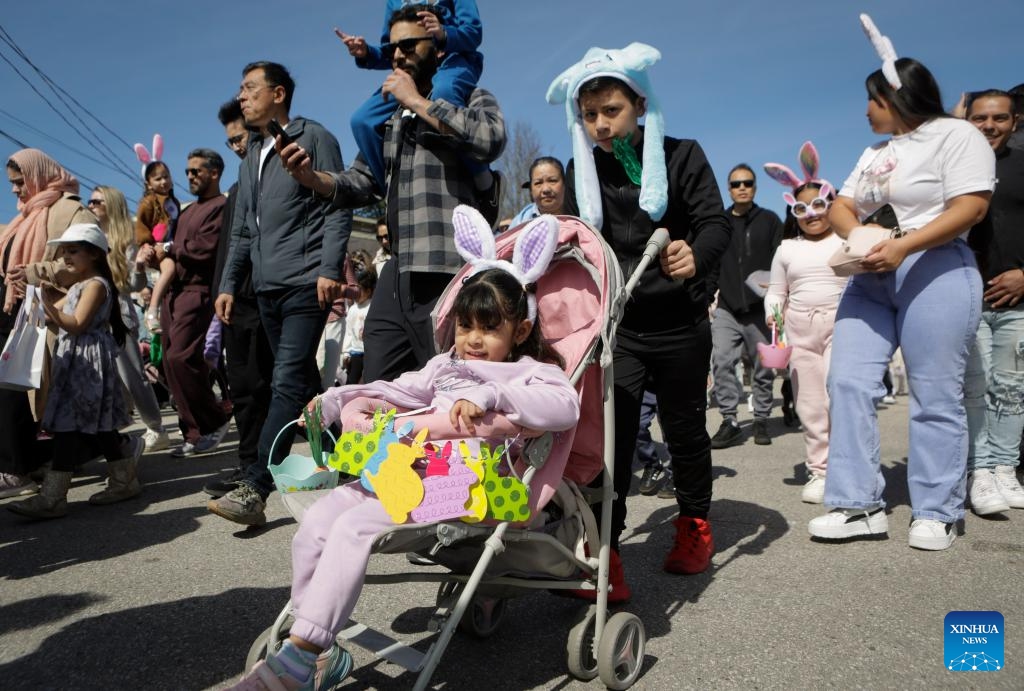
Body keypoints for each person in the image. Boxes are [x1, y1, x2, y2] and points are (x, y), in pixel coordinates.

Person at [226, 213, 577, 691]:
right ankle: (315, 647)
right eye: (465, 325)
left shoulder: (528, 373)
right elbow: (397, 389)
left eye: (489, 328)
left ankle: (302, 654)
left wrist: (495, 398)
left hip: (459, 481)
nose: (473, 339)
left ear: (519, 331)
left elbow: (564, 406)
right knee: (316, 524)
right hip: (397, 468)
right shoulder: (444, 365)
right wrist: (343, 398)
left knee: (351, 529)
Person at [808, 16, 995, 550]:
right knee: (847, 381)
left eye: (872, 99)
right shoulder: (873, 153)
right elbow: (842, 204)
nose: (865, 110)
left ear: (896, 95)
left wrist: (903, 245)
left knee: (935, 393)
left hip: (934, 266)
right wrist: (863, 237)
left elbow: (971, 206)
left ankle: (937, 509)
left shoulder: (957, 135)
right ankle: (858, 503)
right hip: (872, 273)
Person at [548, 42, 732, 583]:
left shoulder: (683, 155)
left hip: (680, 322)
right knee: (610, 440)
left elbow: (716, 224)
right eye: (590, 115)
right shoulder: (580, 171)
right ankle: (608, 549)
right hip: (617, 330)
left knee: (685, 431)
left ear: (641, 106)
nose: (601, 125)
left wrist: (694, 254)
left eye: (612, 111)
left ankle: (694, 522)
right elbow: (576, 239)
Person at [281, 4, 506, 384]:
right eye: (393, 47)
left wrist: (419, 102)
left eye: (408, 45)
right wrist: (313, 179)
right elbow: (363, 180)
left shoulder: (470, 94)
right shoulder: (390, 119)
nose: (398, 54)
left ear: (436, 48)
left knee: (453, 387)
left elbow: (491, 139)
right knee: (379, 388)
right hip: (396, 273)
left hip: (448, 266)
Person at [212, 61, 352, 525]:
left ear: (278, 93)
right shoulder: (252, 153)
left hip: (306, 282)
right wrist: (231, 283)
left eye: (249, 87)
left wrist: (330, 268)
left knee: (286, 382)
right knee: (305, 389)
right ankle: (350, 465)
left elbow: (338, 205)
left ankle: (255, 486)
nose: (242, 96)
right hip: (266, 287)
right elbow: (243, 233)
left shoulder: (314, 138)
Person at [8, 224, 142, 519]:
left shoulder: (95, 284)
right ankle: (124, 479)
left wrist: (47, 305)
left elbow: (77, 323)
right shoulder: (80, 284)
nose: (65, 256)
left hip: (86, 364)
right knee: (101, 425)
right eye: (64, 251)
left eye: (73, 250)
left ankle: (54, 497)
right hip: (77, 362)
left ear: (94, 254)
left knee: (69, 425)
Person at [335, 0, 501, 224]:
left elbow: (473, 33)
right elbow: (394, 50)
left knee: (443, 92)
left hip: (452, 61)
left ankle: (483, 181)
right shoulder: (394, 2)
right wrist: (367, 53)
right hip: (412, 73)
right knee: (362, 120)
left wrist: (444, 33)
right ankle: (389, 188)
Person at [0, 149, 96, 499]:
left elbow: (87, 262)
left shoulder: (71, 210)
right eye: (11, 183)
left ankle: (17, 469)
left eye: (19, 181)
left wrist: (35, 273)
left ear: (38, 174)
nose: (14, 190)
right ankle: (27, 463)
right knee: (20, 391)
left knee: (24, 392)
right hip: (17, 312)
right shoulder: (23, 217)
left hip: (51, 315)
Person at [762, 142, 849, 504]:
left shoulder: (848, 239)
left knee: (842, 396)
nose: (811, 213)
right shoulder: (787, 248)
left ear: (832, 203)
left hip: (843, 327)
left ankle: (850, 468)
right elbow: (776, 291)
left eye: (818, 204)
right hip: (798, 332)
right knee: (810, 405)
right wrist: (773, 314)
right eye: (801, 208)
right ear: (793, 211)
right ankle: (820, 471)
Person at [203, 98, 274, 498]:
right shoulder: (236, 190)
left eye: (242, 137)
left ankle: (328, 459)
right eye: (230, 142)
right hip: (236, 302)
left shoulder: (277, 177)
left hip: (273, 295)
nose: (237, 147)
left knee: (288, 383)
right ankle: (250, 466)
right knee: (244, 387)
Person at [963, 89, 1024, 515]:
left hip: (1018, 302)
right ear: (966, 122)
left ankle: (1006, 468)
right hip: (966, 296)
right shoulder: (955, 170)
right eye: (980, 118)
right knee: (974, 390)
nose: (990, 126)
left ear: (1014, 122)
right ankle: (980, 472)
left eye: (999, 118)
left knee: (1013, 389)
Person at [159, 148, 232, 457]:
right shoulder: (187, 211)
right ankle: (192, 432)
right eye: (187, 171)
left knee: (181, 358)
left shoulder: (222, 207)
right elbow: (173, 249)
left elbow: (204, 249)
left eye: (196, 171)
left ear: (214, 173)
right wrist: (156, 255)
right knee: (169, 365)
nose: (189, 176)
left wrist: (169, 248)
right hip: (173, 293)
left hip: (198, 291)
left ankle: (215, 417)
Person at [707, 163, 784, 448]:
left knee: (763, 368)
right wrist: (706, 297)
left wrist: (779, 298)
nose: (742, 188)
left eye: (747, 183)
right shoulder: (719, 223)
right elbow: (712, 264)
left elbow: (782, 261)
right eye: (736, 183)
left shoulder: (770, 220)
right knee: (722, 361)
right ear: (729, 188)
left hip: (760, 309)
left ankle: (762, 418)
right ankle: (730, 420)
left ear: (754, 187)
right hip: (726, 306)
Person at [90, 186, 169, 451]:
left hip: (119, 316)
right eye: (90, 201)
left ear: (110, 204)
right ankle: (116, 435)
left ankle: (156, 428)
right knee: (105, 379)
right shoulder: (89, 237)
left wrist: (135, 267)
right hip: (94, 317)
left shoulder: (125, 239)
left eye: (96, 201)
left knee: (133, 375)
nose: (91, 205)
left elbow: (134, 285)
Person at [134, 159, 180, 333]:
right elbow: (141, 225)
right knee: (169, 270)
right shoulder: (148, 202)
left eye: (166, 177)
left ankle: (162, 312)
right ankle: (152, 311)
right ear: (149, 184)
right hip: (157, 246)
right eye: (158, 179)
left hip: (171, 244)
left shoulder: (173, 202)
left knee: (171, 276)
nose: (164, 182)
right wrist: (146, 244)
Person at [342, 261, 377, 385]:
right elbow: (349, 332)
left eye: (360, 290)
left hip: (370, 352)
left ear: (368, 290)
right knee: (351, 382)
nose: (356, 293)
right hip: (356, 352)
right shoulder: (352, 309)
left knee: (369, 381)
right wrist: (346, 352)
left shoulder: (374, 307)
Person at [509, 156, 567, 227]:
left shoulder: (580, 214)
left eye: (552, 180)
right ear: (531, 190)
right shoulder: (519, 223)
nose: (546, 189)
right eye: (538, 183)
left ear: (565, 184)